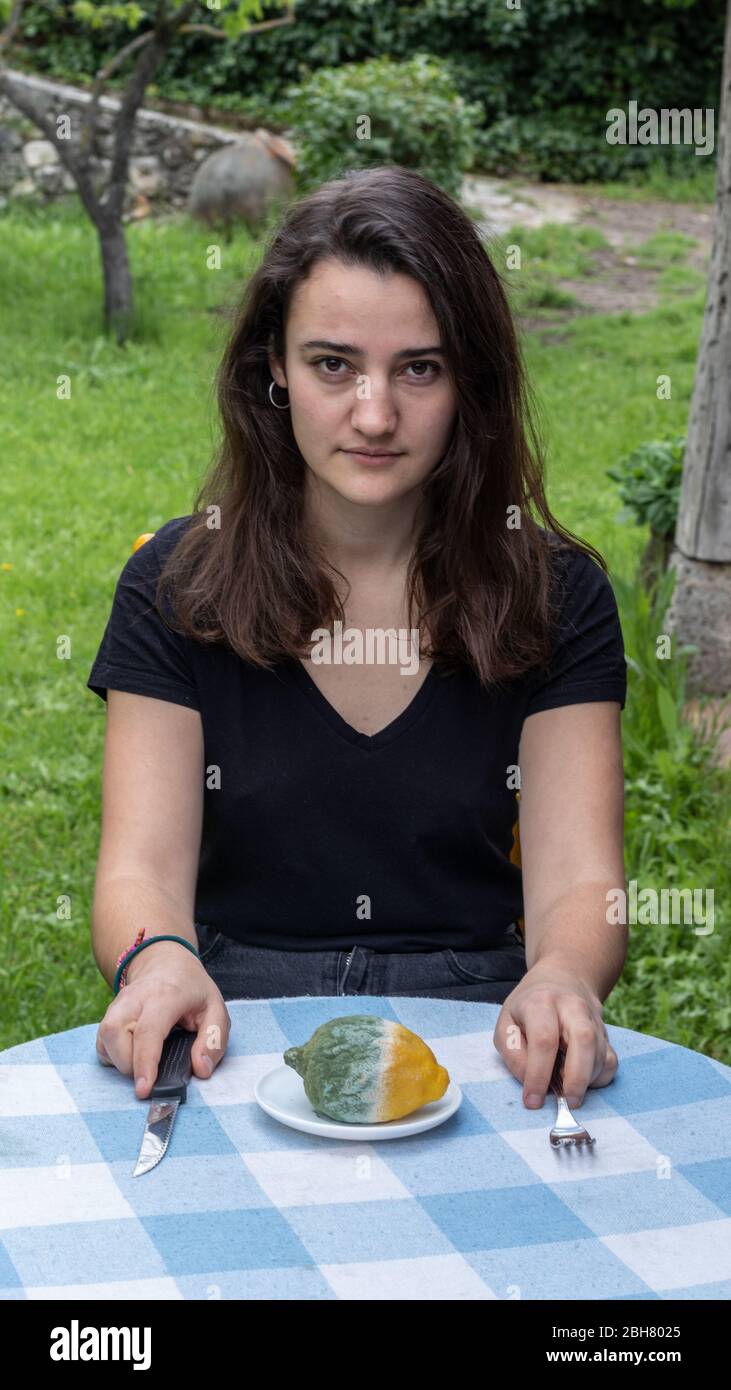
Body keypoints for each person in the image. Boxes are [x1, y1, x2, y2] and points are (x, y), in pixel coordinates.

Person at [88, 164, 627, 1118]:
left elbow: (580, 880)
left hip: (478, 1018)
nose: (375, 415)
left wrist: (563, 979)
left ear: (470, 381)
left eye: (418, 368)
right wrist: (159, 957)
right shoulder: (175, 585)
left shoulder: (556, 593)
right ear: (274, 369)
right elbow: (140, 869)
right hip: (230, 1016)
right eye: (333, 364)